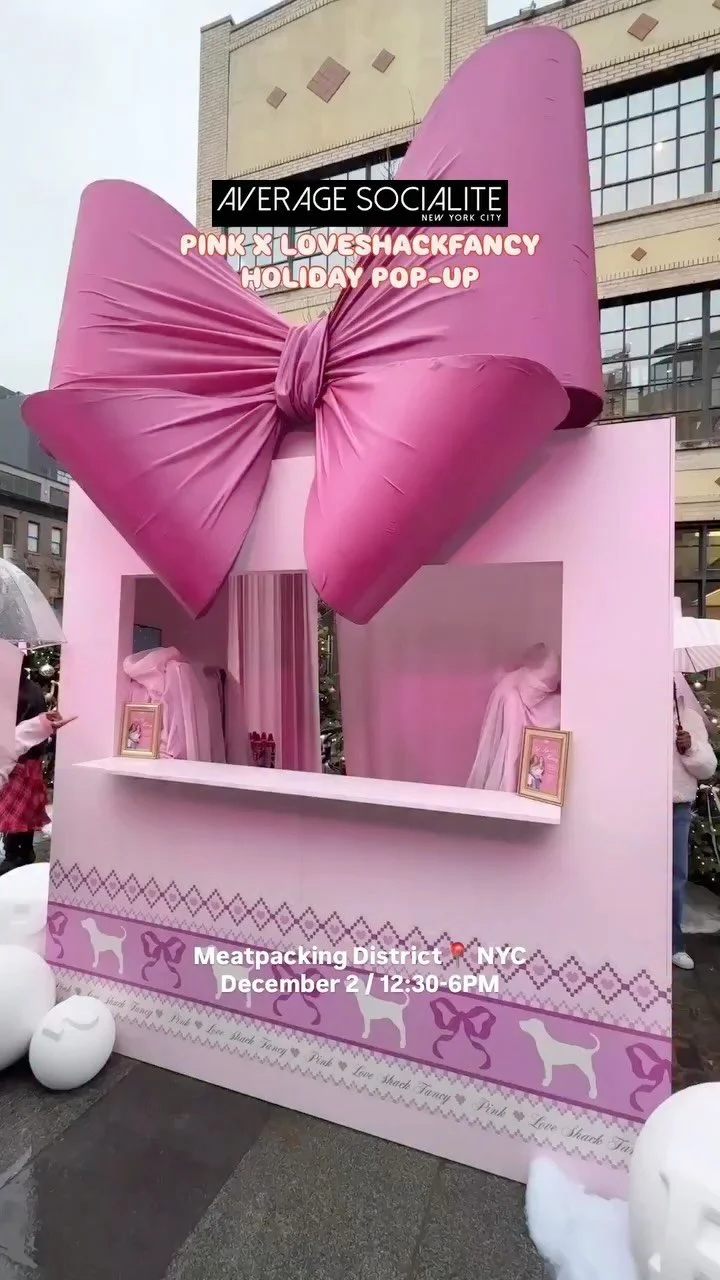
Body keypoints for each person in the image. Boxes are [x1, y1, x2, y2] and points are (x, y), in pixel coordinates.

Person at [0, 658, 73, 874]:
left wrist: (42, 724)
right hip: (19, 758)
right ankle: (18, 852)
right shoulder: (17, 688)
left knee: (19, 812)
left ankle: (17, 854)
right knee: (19, 812)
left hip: (23, 761)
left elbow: (15, 737)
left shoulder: (25, 691)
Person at [673, 682, 717, 971]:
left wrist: (691, 748)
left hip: (676, 805)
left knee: (675, 876)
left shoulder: (689, 718)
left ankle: (674, 945)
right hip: (639, 804)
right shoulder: (635, 715)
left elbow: (708, 768)